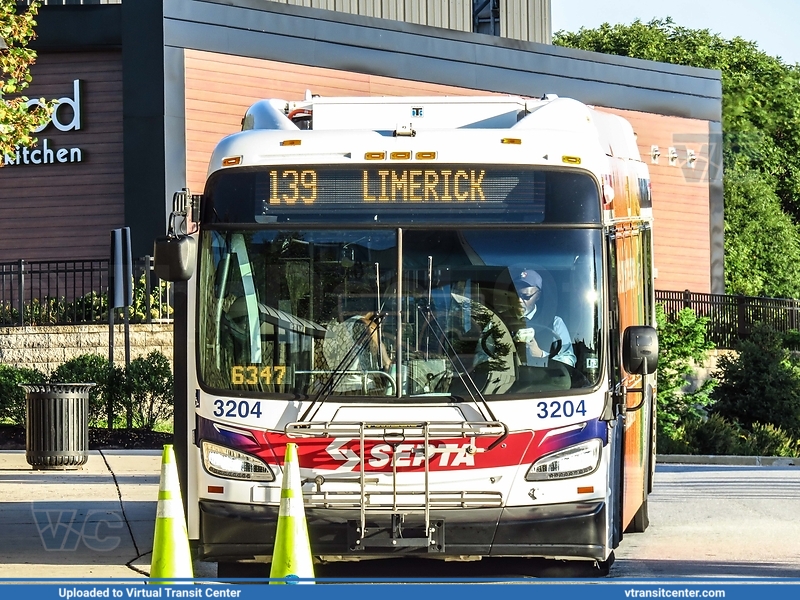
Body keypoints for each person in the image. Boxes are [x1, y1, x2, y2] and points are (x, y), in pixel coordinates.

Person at [511, 267, 576, 368]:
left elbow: (569, 360)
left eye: (526, 296)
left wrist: (541, 355)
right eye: (516, 295)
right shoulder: (499, 321)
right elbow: (481, 356)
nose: (519, 300)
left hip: (544, 382)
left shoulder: (555, 323)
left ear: (538, 296)